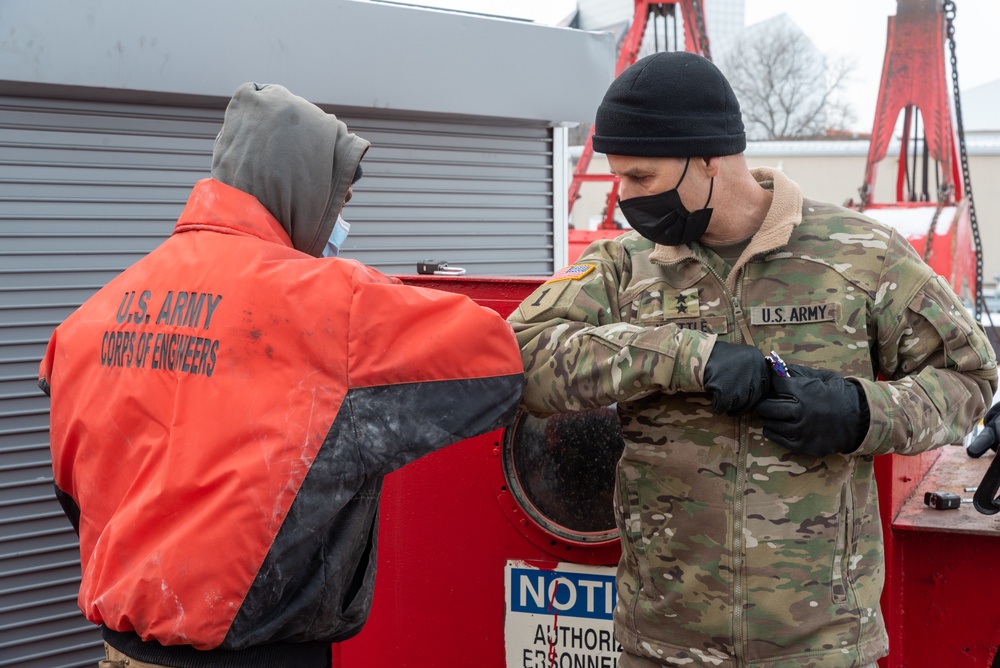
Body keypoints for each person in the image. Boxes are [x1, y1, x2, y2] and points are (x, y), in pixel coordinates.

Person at [507, 52, 997, 668]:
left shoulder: (860, 255)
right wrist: (688, 355)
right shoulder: (623, 267)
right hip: (663, 644)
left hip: (820, 646)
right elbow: (518, 357)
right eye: (619, 179)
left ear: (710, 157)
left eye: (641, 177)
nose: (624, 199)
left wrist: (860, 412)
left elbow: (971, 379)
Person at [38, 82, 525, 667]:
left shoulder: (89, 320)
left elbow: (79, 494)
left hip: (121, 654)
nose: (338, 225)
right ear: (302, 190)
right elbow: (496, 360)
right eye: (337, 205)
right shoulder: (335, 303)